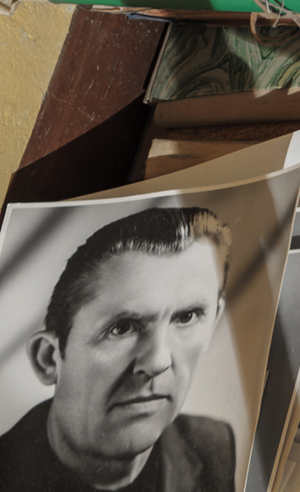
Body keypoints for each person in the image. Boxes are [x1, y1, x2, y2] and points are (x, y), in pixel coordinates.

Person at [0, 206, 236, 491]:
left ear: (213, 323)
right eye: (122, 328)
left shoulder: (214, 446)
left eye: (186, 317)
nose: (158, 360)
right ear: (48, 359)